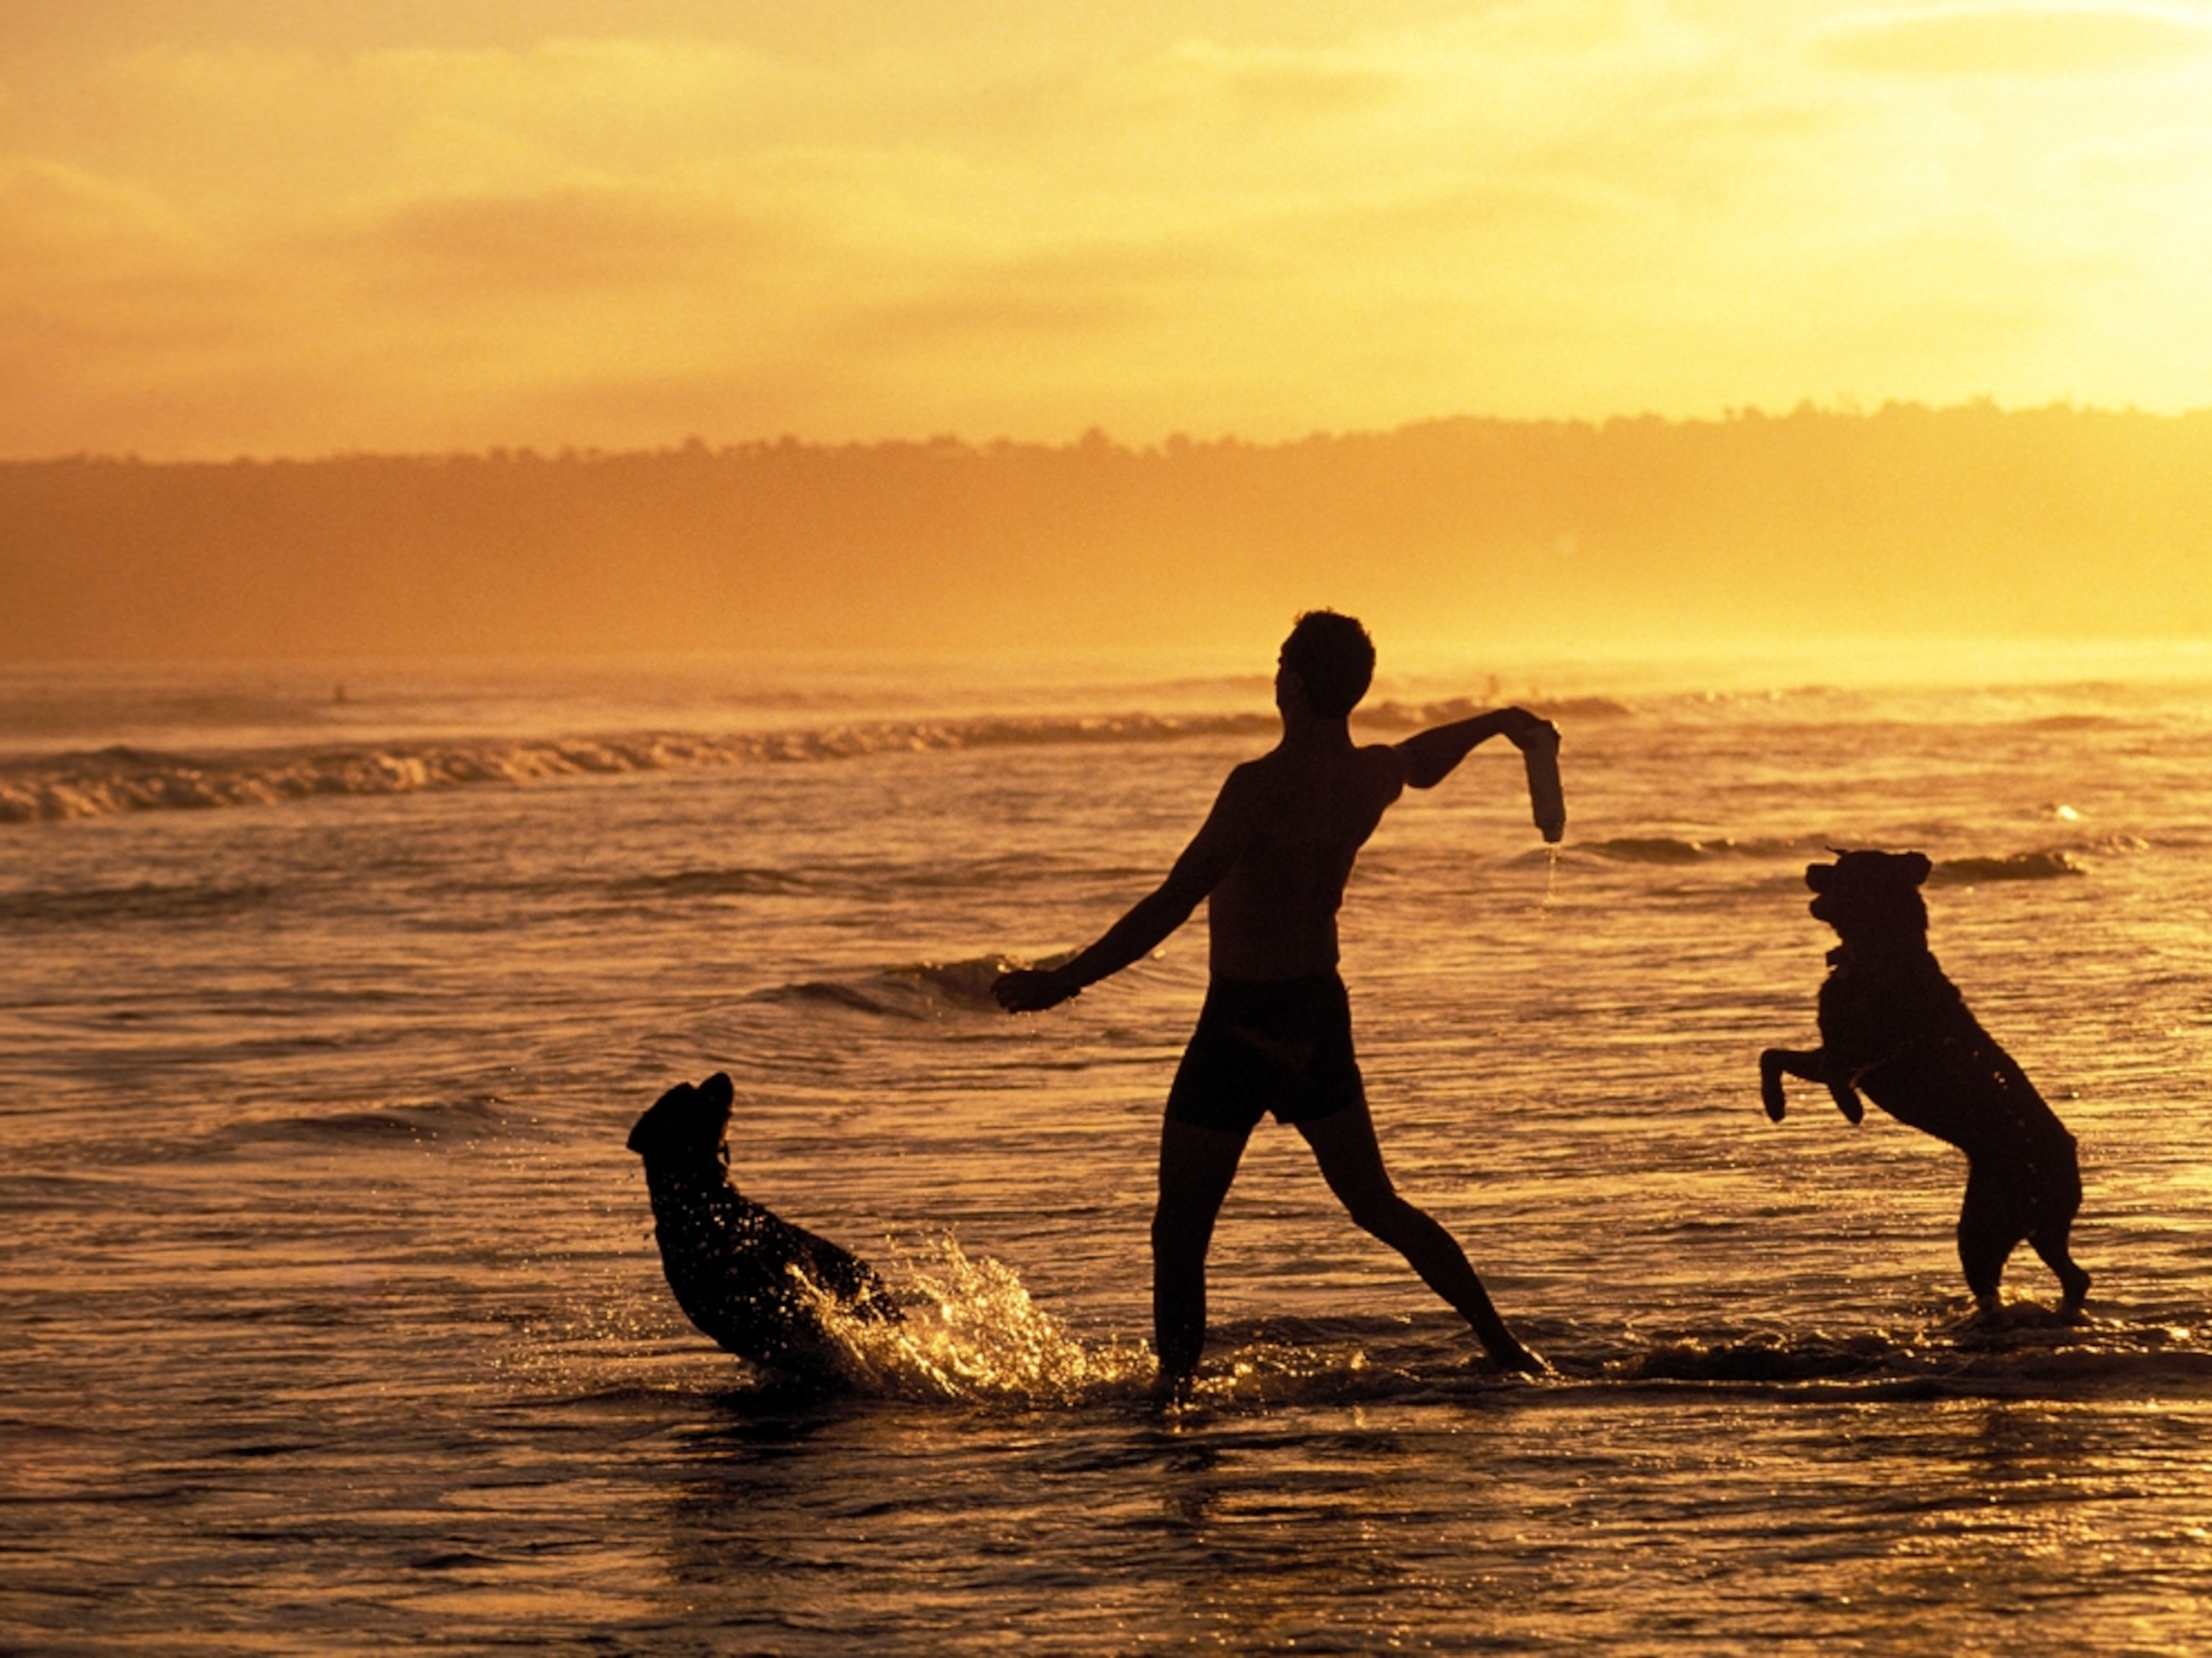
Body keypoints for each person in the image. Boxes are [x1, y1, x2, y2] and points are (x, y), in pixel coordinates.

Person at [992, 609, 1554, 1394]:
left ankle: (1175, 1393)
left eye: (1283, 658)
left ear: (1294, 680)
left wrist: (1066, 980)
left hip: (1242, 1022)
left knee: (1180, 1232)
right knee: (1376, 1204)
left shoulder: (1258, 786)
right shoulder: (1368, 778)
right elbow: (1425, 759)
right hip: (1317, 1014)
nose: (1275, 668)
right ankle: (1509, 1350)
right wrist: (1499, 722)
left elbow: (1174, 901)